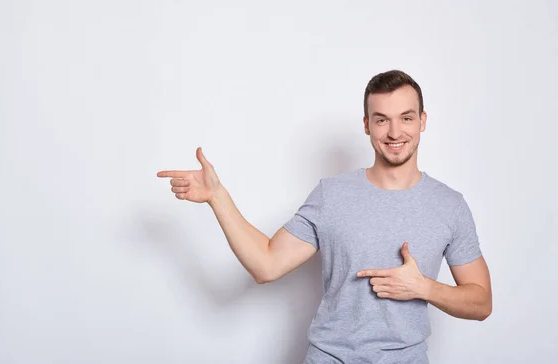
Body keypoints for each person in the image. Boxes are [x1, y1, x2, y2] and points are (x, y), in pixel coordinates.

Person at [157, 70, 492, 364]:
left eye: (406, 118)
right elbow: (266, 264)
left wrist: (424, 288)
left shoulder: (449, 205)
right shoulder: (332, 195)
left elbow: (481, 302)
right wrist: (218, 197)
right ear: (366, 125)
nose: (394, 132)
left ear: (422, 120)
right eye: (381, 119)